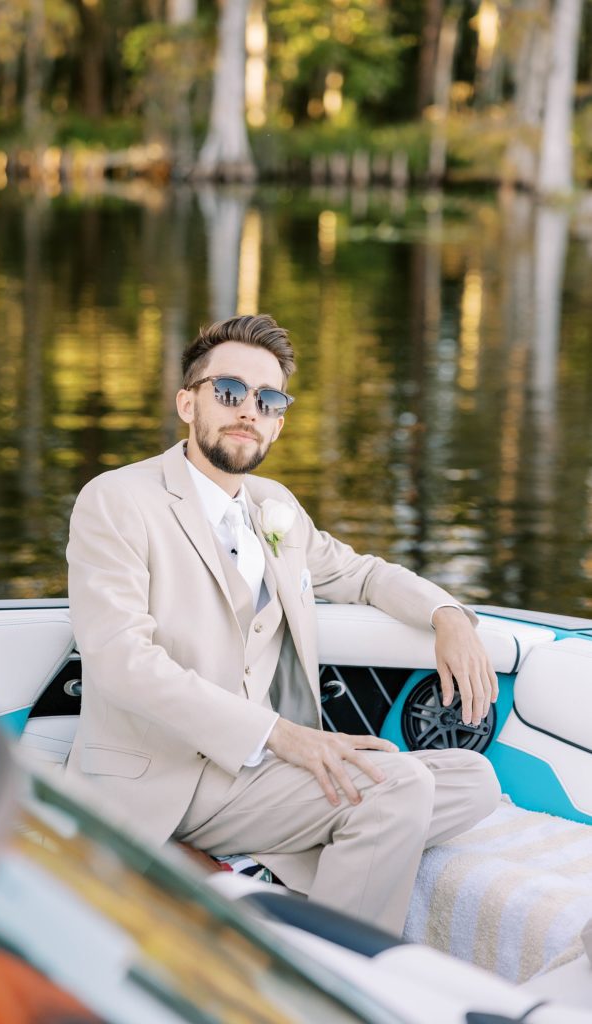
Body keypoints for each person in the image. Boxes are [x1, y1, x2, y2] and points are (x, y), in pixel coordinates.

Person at [66, 313, 501, 935]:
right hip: (166, 776)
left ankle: (269, 875)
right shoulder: (117, 499)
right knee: (397, 788)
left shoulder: (274, 507)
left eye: (268, 399)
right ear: (188, 403)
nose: (249, 409)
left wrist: (447, 614)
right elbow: (120, 663)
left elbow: (363, 574)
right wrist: (282, 737)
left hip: (253, 778)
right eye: (229, 392)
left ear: (279, 419)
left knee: (474, 781)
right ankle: (330, 976)